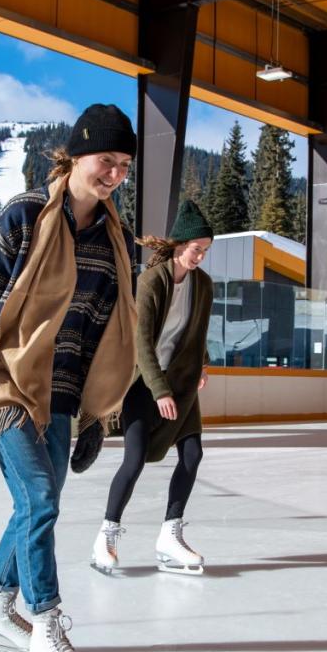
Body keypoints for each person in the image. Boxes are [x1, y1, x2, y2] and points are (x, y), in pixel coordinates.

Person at [0, 104, 138, 652]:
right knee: (41, 498)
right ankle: (47, 626)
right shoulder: (24, 216)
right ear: (76, 155)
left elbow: (107, 331)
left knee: (34, 504)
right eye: (107, 161)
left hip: (63, 393)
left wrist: (102, 412)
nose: (115, 175)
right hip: (4, 380)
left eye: (125, 166)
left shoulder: (118, 242)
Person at [91, 199, 214, 577]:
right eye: (196, 250)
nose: (200, 258)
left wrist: (202, 364)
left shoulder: (203, 285)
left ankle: (170, 536)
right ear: (179, 246)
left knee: (192, 455)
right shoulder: (151, 281)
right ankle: (106, 536)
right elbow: (142, 342)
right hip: (143, 382)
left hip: (181, 380)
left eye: (205, 252)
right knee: (135, 458)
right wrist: (159, 390)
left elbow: (196, 332)